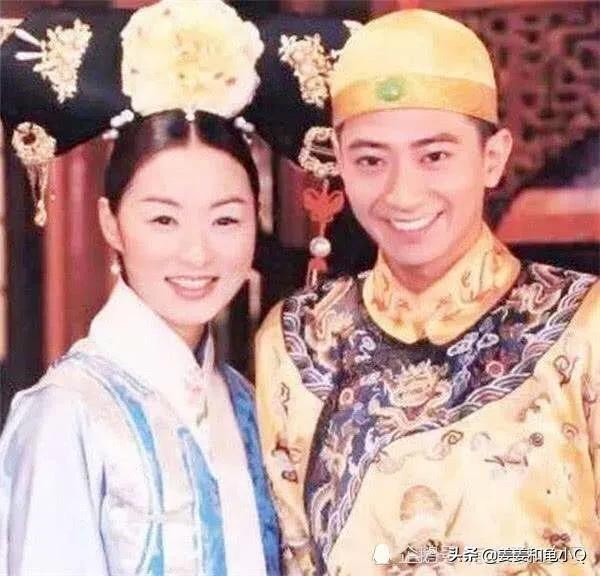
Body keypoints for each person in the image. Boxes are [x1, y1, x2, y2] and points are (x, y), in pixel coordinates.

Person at [254, 9, 599, 575]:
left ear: (492, 158)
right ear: (339, 161)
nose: (403, 193)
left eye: (434, 156)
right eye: (371, 160)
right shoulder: (299, 340)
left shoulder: (583, 325)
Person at [0, 1, 280, 575]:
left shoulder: (244, 402)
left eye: (226, 219)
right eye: (163, 219)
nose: (197, 253)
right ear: (111, 223)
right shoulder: (66, 414)